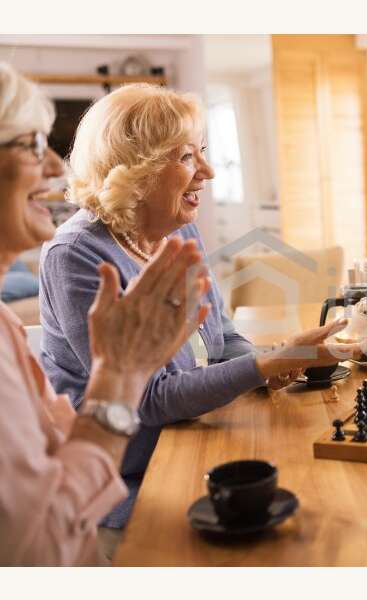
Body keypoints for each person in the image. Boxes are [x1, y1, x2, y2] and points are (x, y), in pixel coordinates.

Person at [39, 84, 367, 534]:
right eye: (185, 158)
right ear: (135, 170)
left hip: (195, 433)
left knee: (330, 495)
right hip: (130, 471)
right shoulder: (76, 255)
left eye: (202, 152)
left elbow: (221, 334)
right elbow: (147, 400)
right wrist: (264, 364)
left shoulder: (176, 229)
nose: (209, 171)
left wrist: (278, 361)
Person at [0, 62, 212, 565]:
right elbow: (42, 549)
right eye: (31, 145)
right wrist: (119, 375)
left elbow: (58, 464)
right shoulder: (74, 252)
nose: (56, 167)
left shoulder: (6, 324)